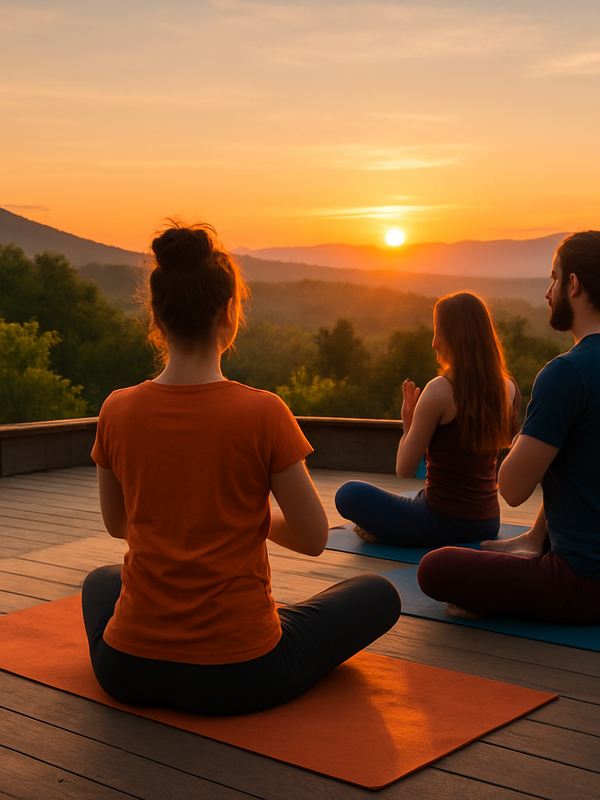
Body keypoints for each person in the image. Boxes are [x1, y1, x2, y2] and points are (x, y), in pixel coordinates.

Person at [81, 221, 400, 716]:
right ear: (229, 313)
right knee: (378, 593)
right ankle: (251, 620)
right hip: (241, 675)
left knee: (100, 581)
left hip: (128, 668)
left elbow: (119, 524)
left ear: (157, 318)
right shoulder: (263, 412)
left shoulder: (116, 410)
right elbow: (314, 537)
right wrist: (247, 520)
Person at [417, 231, 600, 625]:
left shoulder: (566, 372)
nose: (547, 291)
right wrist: (535, 538)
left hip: (588, 585)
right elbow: (589, 465)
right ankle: (532, 542)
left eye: (553, 277)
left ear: (573, 284)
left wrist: (522, 440)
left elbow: (513, 489)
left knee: (435, 568)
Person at [335, 291, 519, 547]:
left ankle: (389, 531)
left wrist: (407, 424)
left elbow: (403, 469)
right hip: (487, 522)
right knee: (418, 497)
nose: (434, 342)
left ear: (455, 336)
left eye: (438, 332)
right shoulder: (508, 388)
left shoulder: (440, 389)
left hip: (440, 522)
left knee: (349, 494)